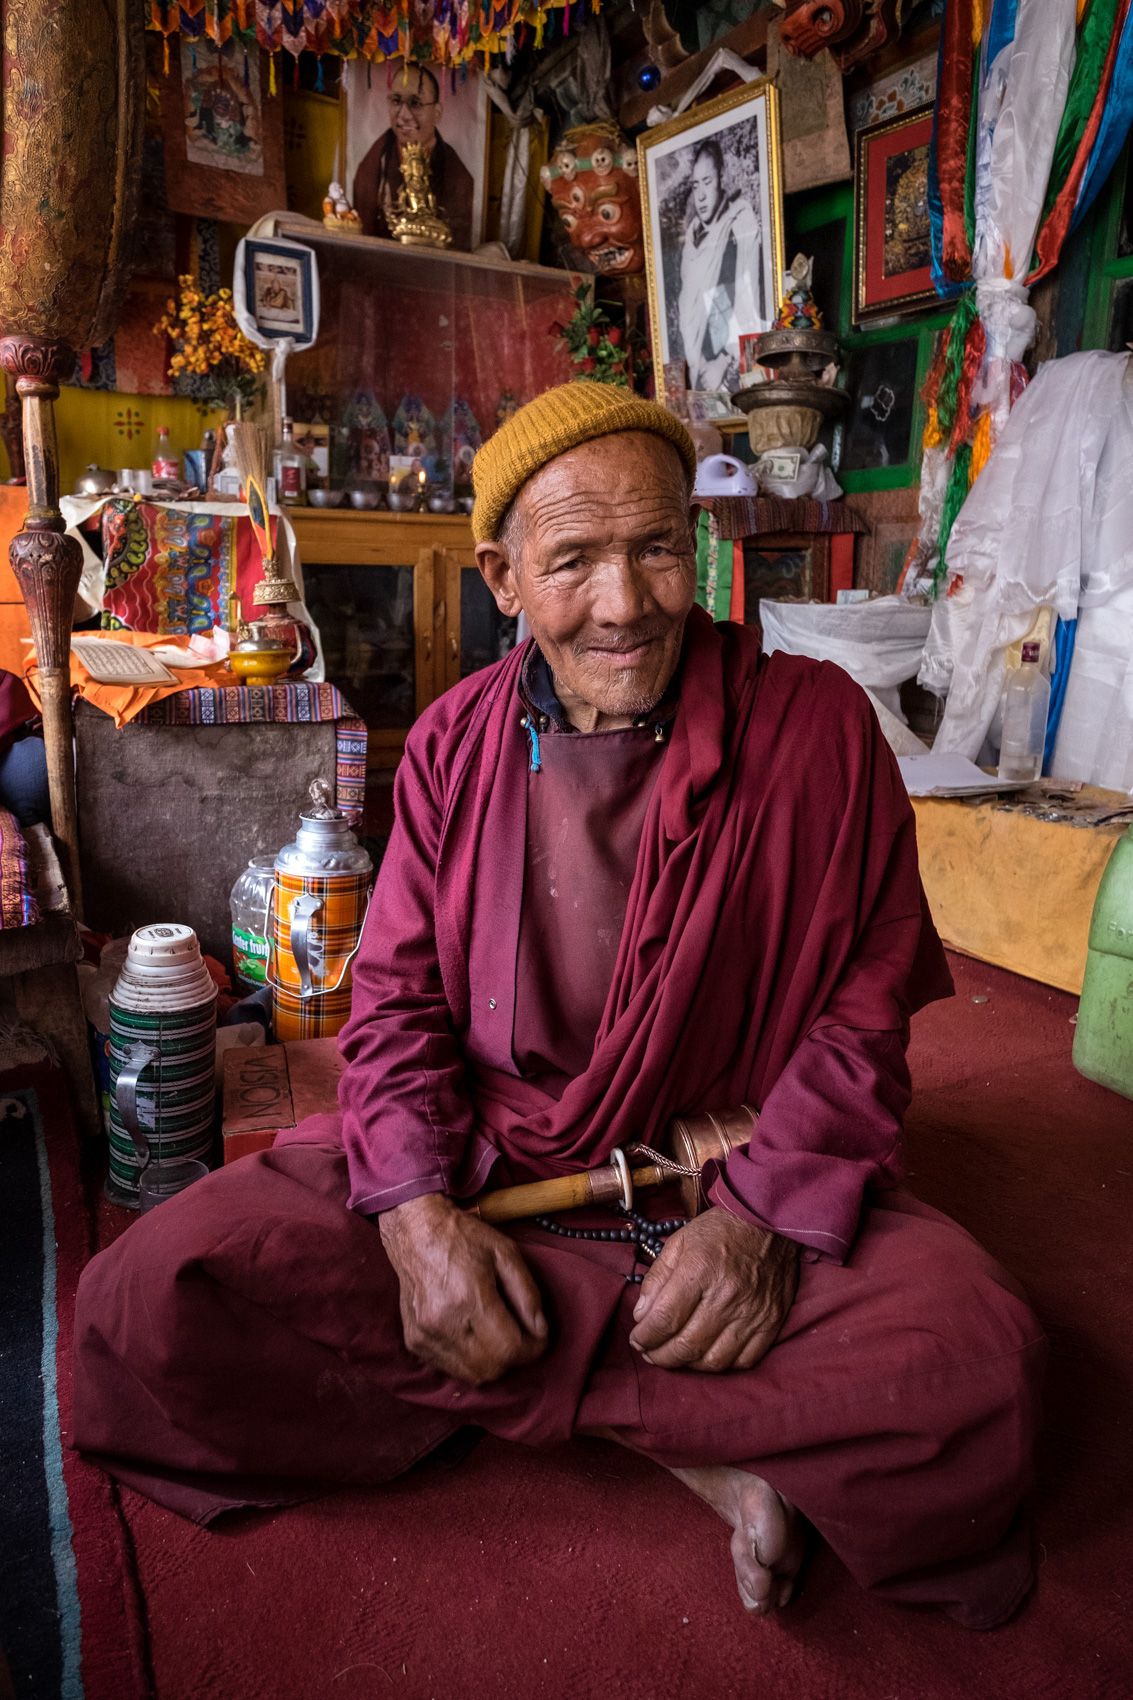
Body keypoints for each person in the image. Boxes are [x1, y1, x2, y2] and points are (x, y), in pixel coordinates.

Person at [72, 384, 1044, 1627]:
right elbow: (397, 1012)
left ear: (692, 541)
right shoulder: (450, 745)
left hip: (715, 1175)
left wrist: (756, 1229)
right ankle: (685, 1442)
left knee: (980, 1371)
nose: (624, 603)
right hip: (489, 1168)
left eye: (653, 547)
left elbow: (860, 1021)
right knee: (150, 1296)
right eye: (573, 559)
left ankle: (538, 1381)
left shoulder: (813, 735)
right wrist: (418, 1223)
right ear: (502, 576)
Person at [353, 63, 474, 249]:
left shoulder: (457, 174)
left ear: (437, 113)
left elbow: (459, 244)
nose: (403, 115)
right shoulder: (375, 161)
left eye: (415, 103)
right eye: (396, 101)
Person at [677, 138, 765, 392]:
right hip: (698, 370)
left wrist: (724, 362)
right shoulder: (691, 241)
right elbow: (689, 313)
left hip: (727, 368)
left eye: (708, 182)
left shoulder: (739, 224)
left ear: (721, 178)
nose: (701, 196)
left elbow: (747, 306)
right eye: (696, 186)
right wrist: (700, 364)